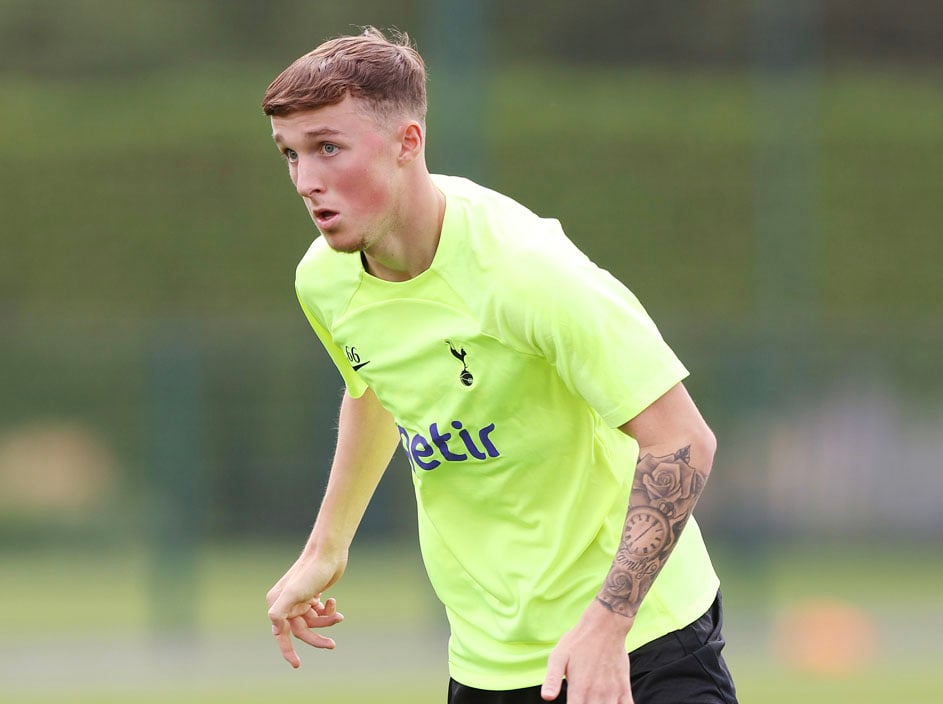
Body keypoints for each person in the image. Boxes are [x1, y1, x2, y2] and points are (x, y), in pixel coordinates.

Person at [261, 27, 738, 704]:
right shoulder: (325, 282)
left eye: (328, 148)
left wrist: (607, 625)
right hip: (490, 665)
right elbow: (373, 390)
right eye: (290, 155)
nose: (307, 181)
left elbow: (682, 440)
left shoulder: (526, 273)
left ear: (408, 144)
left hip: (639, 645)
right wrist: (326, 547)